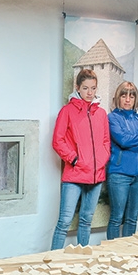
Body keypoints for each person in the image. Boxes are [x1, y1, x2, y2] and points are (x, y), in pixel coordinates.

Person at [51, 69, 111, 249]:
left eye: (93, 88)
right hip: (74, 174)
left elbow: (106, 142)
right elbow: (57, 140)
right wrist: (75, 160)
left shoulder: (101, 114)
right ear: (77, 87)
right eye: (85, 88)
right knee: (64, 222)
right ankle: (52, 262)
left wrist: (101, 161)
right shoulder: (67, 111)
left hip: (96, 175)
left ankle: (82, 261)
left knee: (86, 221)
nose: (89, 92)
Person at [106, 81, 138, 239]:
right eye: (124, 95)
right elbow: (123, 141)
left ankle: (128, 254)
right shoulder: (112, 118)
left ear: (136, 99)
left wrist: (129, 143)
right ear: (118, 98)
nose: (127, 99)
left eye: (131, 96)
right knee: (116, 217)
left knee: (132, 218)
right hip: (119, 174)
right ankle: (112, 253)